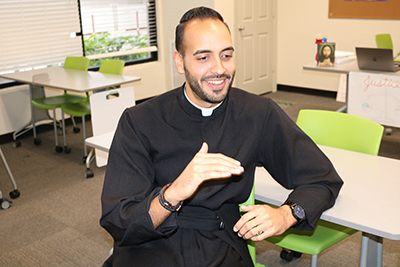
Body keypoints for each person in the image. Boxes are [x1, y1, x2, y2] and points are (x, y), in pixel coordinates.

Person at [100, 6, 343, 267]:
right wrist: (174, 193)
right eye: (203, 58)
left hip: (221, 244)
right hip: (151, 245)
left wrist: (286, 214)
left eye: (226, 55)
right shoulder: (140, 120)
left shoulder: (257, 113)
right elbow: (120, 222)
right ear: (180, 61)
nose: (219, 69)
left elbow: (322, 179)